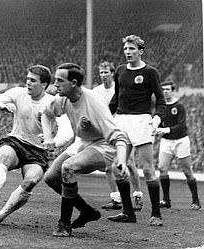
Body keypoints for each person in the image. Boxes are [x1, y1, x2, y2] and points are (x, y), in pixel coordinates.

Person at [41, 63, 133, 237]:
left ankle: (64, 225)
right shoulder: (63, 97)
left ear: (74, 82)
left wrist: (121, 160)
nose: (55, 85)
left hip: (105, 145)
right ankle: (87, 212)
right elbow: (46, 114)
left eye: (60, 81)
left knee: (68, 168)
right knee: (51, 178)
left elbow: (119, 137)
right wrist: (48, 138)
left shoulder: (94, 103)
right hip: (83, 140)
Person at [0, 65, 73, 225]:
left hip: (37, 151)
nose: (28, 83)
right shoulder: (18, 93)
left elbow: (67, 129)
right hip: (16, 142)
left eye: (33, 80)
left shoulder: (52, 102)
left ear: (44, 85)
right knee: (5, 158)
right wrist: (1, 106)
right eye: (27, 79)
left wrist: (54, 141)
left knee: (31, 180)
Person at [108, 35, 166, 226]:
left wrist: (156, 119)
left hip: (141, 121)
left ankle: (156, 214)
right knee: (118, 167)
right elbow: (116, 98)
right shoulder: (120, 71)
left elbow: (160, 99)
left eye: (132, 49)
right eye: (125, 49)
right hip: (122, 120)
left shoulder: (150, 72)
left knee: (148, 169)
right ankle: (128, 212)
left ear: (140, 51)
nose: (128, 52)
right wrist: (105, 118)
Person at [94, 61, 142, 211]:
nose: (103, 75)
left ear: (112, 74)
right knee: (109, 165)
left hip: (123, 128)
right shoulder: (96, 91)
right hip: (107, 130)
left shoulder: (120, 87)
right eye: (101, 73)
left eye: (106, 72)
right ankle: (116, 199)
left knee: (129, 162)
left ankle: (137, 196)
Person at [155, 81, 201, 210]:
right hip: (166, 141)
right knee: (162, 168)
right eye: (163, 89)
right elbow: (157, 121)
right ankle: (166, 200)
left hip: (181, 141)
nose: (165, 91)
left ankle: (195, 200)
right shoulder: (161, 107)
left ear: (173, 90)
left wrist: (166, 129)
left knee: (187, 171)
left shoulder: (179, 106)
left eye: (168, 89)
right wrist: (155, 130)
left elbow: (181, 126)